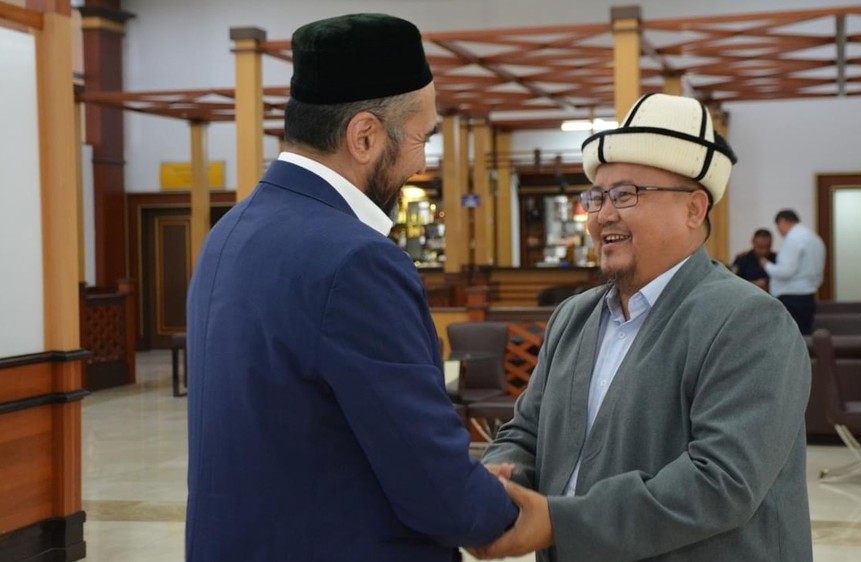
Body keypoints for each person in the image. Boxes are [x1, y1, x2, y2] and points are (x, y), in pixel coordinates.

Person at [185, 14, 517, 561]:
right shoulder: (356, 259)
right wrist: (495, 506)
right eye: (422, 138)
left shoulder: (229, 232)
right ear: (365, 136)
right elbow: (433, 487)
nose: (421, 162)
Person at [471, 93, 813, 562]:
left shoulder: (749, 322)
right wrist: (498, 480)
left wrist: (560, 522)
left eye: (625, 194)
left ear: (694, 209)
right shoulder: (573, 318)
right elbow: (525, 432)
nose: (602, 215)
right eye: (596, 197)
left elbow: (722, 481)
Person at [761, 209, 826, 334]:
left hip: (792, 298)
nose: (779, 231)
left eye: (778, 226)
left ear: (782, 221)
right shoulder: (814, 238)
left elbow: (785, 271)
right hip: (808, 296)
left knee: (789, 337)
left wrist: (767, 265)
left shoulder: (793, 238)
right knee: (804, 337)